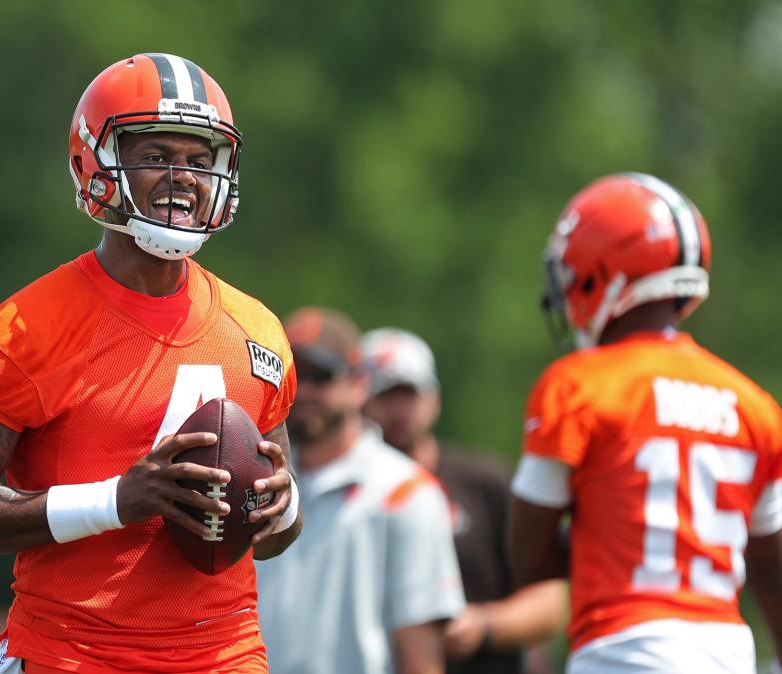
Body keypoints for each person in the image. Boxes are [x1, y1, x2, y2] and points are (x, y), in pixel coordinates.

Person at [0, 53, 301, 674]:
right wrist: (117, 501)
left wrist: (284, 507)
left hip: (225, 654)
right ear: (100, 161)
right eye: (156, 156)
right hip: (72, 654)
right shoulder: (29, 329)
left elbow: (275, 531)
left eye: (200, 161)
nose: (182, 178)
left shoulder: (258, 331)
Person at [509, 173, 782, 673]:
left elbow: (526, 555)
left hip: (623, 650)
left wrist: (607, 533)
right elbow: (771, 567)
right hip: (726, 653)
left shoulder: (578, 385)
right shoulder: (754, 404)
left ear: (600, 272)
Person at [255, 306, 464, 674]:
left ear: (359, 385)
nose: (303, 390)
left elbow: (421, 653)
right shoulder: (255, 481)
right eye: (292, 375)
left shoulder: (407, 491)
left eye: (321, 375)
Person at [362, 328, 567, 674]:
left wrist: (483, 625)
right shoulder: (346, 495)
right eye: (385, 396)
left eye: (408, 395)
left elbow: (550, 604)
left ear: (434, 400)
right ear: (358, 400)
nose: (398, 410)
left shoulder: (485, 483)